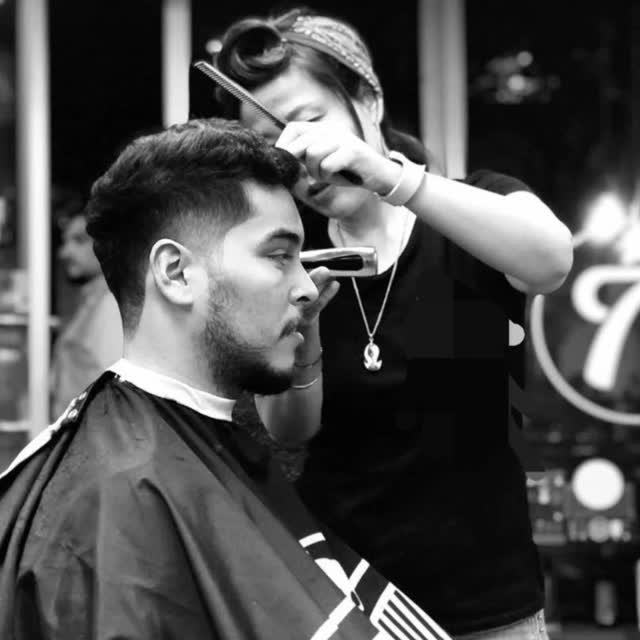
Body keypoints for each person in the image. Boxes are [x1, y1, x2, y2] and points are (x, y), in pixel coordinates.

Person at [0, 118, 452, 640]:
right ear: (176, 273)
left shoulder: (197, 443)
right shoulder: (117, 501)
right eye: (279, 256)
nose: (309, 288)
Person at [212, 9, 574, 639]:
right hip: (345, 606)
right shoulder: (291, 260)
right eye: (274, 145)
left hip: (490, 606)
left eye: (309, 121)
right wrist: (304, 333)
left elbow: (551, 260)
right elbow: (290, 430)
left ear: (368, 102)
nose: (300, 157)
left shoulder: (469, 212)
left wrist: (391, 178)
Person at [50, 211, 123, 418]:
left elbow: (117, 392)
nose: (65, 252)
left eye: (79, 240)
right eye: (65, 242)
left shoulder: (112, 306)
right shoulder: (91, 302)